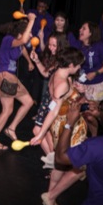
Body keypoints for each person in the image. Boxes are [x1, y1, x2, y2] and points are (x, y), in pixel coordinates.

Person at [28, 47, 88, 205]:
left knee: (60, 166)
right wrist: (40, 134)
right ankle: (51, 196)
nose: (78, 69)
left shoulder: (58, 73)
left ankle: (51, 199)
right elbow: (53, 111)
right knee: (80, 167)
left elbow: (58, 105)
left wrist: (77, 93)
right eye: (77, 66)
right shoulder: (62, 83)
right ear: (70, 64)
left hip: (66, 123)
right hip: (66, 126)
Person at [54, 96, 103, 205]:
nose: (98, 110)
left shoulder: (97, 146)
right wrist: (99, 116)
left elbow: (61, 157)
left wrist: (69, 123)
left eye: (101, 109)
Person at [0, 12, 36, 150]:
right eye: (29, 33)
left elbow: (23, 49)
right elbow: (23, 41)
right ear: (22, 33)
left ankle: (11, 128)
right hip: (4, 76)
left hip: (10, 77)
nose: (31, 36)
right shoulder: (8, 39)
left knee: (28, 102)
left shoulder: (18, 43)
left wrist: (29, 62)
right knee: (7, 109)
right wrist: (31, 20)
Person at [30, 33, 69, 165]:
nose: (51, 48)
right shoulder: (54, 58)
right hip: (47, 99)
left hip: (54, 100)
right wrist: (36, 61)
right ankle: (54, 162)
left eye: (54, 45)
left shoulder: (63, 61)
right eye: (50, 44)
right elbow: (46, 73)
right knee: (44, 132)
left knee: (39, 130)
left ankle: (55, 161)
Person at [73, 21, 103, 137]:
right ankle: (82, 136)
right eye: (81, 28)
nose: (80, 30)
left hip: (96, 85)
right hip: (81, 84)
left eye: (84, 29)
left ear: (91, 33)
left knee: (90, 114)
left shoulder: (100, 47)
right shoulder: (79, 46)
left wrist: (95, 72)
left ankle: (95, 137)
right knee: (79, 111)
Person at [25, 0, 54, 104]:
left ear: (47, 7)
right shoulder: (32, 12)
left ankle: (34, 99)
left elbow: (50, 34)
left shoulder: (50, 19)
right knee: (27, 74)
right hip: (28, 48)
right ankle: (25, 97)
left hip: (41, 50)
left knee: (38, 76)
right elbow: (24, 18)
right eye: (39, 5)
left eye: (43, 6)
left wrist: (42, 38)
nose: (40, 8)